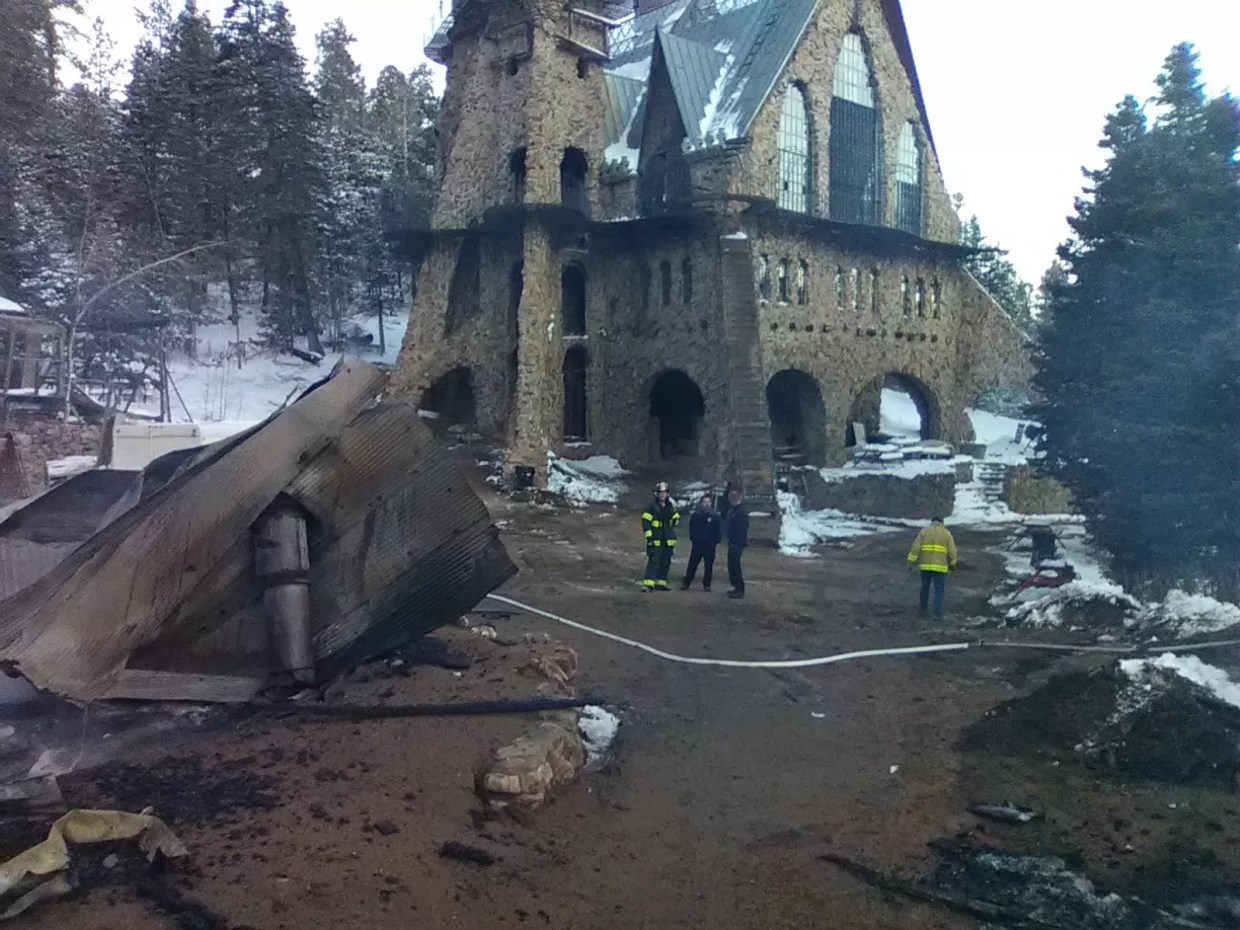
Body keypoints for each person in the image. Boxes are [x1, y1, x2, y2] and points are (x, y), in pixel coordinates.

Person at [907, 516, 958, 619]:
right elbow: (952, 551)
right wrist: (952, 563)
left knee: (924, 587)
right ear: (941, 522)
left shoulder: (924, 532)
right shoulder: (946, 533)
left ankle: (923, 610)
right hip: (940, 567)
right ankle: (937, 613)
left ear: (932, 522)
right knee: (939, 590)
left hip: (925, 566)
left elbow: (915, 547)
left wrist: (910, 561)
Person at [641, 481, 680, 592]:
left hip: (667, 540)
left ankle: (661, 583)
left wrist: (675, 519)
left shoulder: (670, 506)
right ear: (657, 494)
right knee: (653, 562)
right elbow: (646, 522)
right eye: (660, 493)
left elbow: (674, 521)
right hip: (656, 538)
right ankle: (648, 584)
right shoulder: (651, 507)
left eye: (664, 492)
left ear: (667, 494)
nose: (662, 495)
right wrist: (649, 537)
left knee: (665, 562)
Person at [680, 493, 722, 591]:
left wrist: (715, 541)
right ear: (701, 503)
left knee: (708, 566)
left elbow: (718, 530)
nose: (706, 504)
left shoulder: (715, 515)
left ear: (711, 503)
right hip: (698, 544)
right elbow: (692, 527)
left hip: (710, 545)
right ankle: (686, 583)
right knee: (692, 564)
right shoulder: (696, 515)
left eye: (708, 502)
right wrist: (694, 538)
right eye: (705, 502)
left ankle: (707, 584)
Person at [722, 489, 749, 599]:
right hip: (734, 542)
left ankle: (739, 588)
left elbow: (741, 530)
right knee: (732, 565)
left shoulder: (740, 513)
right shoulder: (735, 511)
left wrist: (736, 541)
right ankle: (736, 587)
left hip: (737, 543)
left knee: (735, 566)